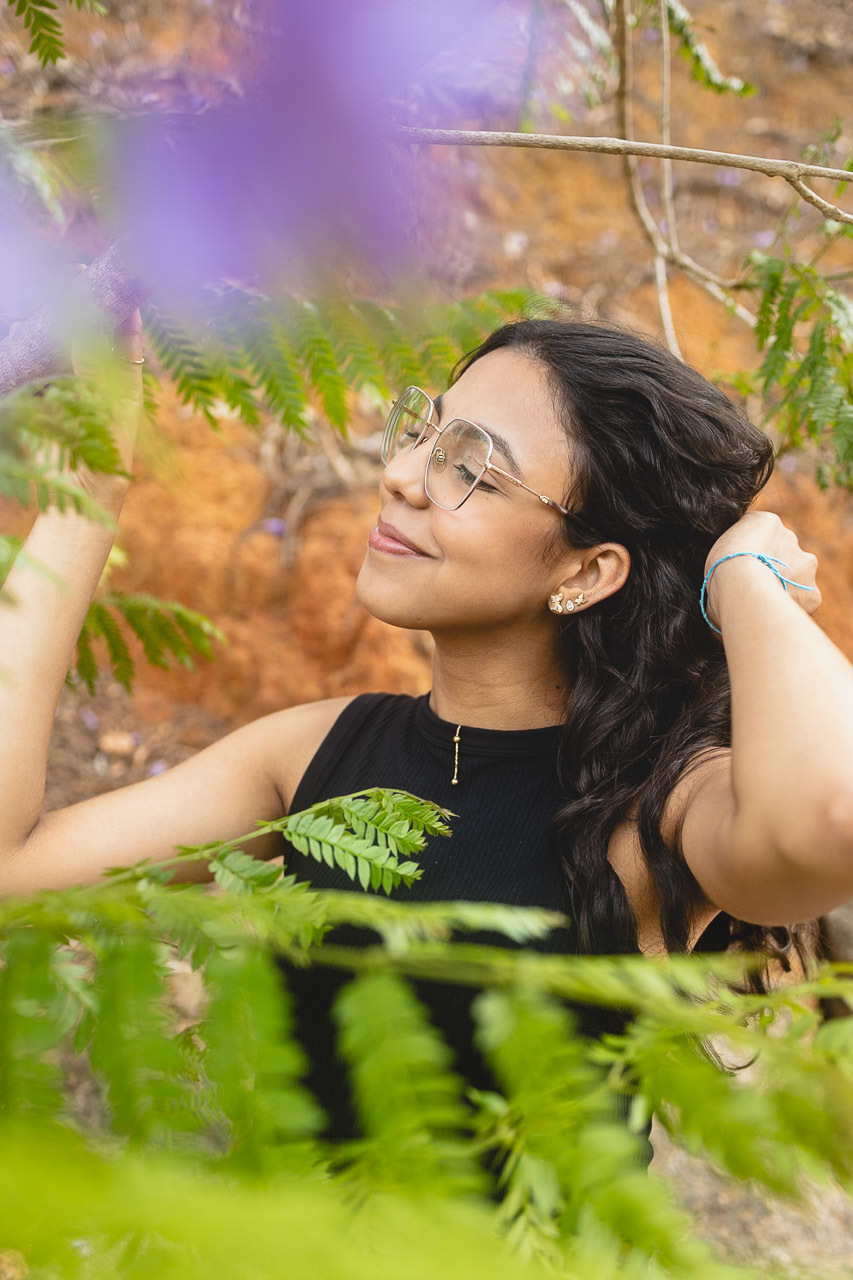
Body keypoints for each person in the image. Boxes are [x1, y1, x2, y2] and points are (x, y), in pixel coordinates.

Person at [2, 309, 853, 1142]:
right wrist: (88, 485)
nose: (402, 474)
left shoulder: (653, 811)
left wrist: (742, 577)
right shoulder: (309, 756)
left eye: (470, 467)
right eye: (424, 433)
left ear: (587, 570)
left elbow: (832, 816)